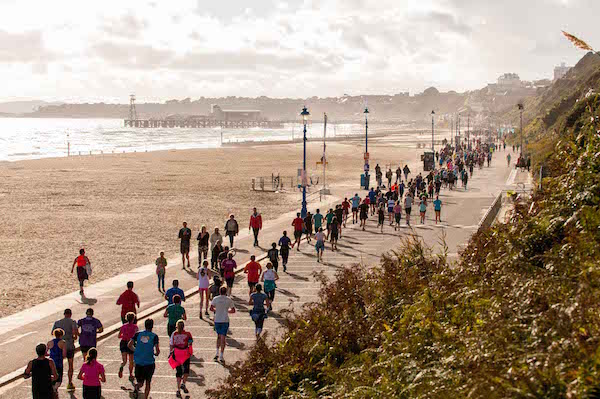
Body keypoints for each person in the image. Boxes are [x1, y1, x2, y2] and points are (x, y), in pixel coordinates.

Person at [129, 319, 159, 399]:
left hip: (139, 362)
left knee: (140, 382)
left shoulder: (138, 334)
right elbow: (157, 350)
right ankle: (145, 397)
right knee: (148, 382)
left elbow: (129, 345)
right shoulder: (154, 336)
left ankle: (136, 387)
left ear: (145, 325)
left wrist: (136, 350)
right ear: (152, 326)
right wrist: (156, 353)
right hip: (149, 362)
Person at [51, 309, 78, 393]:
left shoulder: (57, 322)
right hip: (69, 345)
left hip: (59, 345)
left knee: (58, 364)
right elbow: (75, 333)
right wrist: (73, 337)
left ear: (64, 314)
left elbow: (52, 333)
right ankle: (69, 382)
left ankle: (56, 382)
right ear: (70, 314)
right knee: (70, 364)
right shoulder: (72, 322)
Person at [210, 286, 236, 362]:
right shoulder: (228, 300)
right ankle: (221, 355)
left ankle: (217, 353)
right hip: (225, 320)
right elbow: (233, 310)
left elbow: (211, 308)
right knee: (223, 338)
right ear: (226, 292)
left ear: (220, 291)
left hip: (217, 319)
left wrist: (217, 310)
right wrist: (227, 311)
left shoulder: (215, 299)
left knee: (218, 336)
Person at [169, 320, 193, 398]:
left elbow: (171, 344)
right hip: (185, 353)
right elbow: (190, 343)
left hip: (177, 353)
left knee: (178, 372)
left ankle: (178, 389)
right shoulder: (188, 334)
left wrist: (171, 353)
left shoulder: (174, 334)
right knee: (186, 370)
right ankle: (184, 383)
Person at [117, 312, 138, 383]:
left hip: (123, 342)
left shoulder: (123, 326)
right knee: (131, 361)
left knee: (124, 360)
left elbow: (119, 336)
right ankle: (130, 374)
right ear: (133, 319)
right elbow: (136, 336)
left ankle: (122, 366)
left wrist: (125, 336)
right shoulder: (135, 327)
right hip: (131, 343)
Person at [47, 328, 67, 398]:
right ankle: (55, 389)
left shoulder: (50, 342)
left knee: (52, 377)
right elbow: (64, 354)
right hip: (58, 362)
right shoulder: (63, 343)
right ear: (61, 335)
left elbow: (46, 353)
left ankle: (52, 389)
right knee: (59, 378)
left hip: (51, 362)